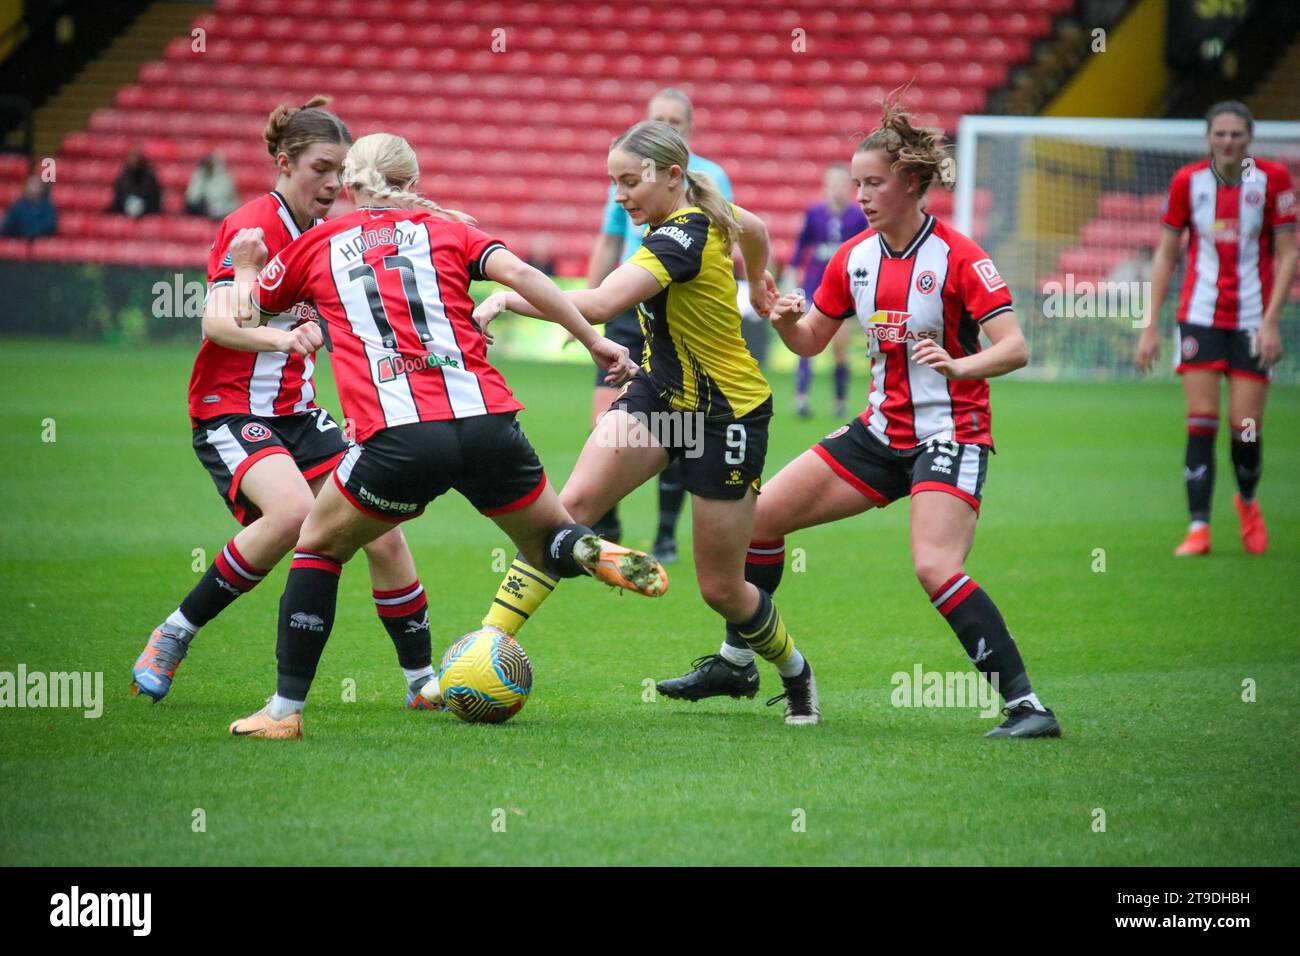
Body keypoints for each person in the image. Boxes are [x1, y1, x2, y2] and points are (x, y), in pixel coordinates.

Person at [224, 132, 665, 739]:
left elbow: (246, 315)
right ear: (413, 181)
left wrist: (247, 266)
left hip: (400, 437)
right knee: (547, 541)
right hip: (487, 422)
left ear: (349, 186)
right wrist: (592, 340)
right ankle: (585, 547)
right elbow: (524, 276)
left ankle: (284, 713)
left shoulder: (317, 243)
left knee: (320, 547)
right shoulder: (450, 230)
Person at [656, 102, 1061, 739]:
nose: (862, 195)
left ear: (910, 184)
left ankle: (1027, 706)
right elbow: (812, 341)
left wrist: (959, 367)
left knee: (935, 568)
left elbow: (1015, 347)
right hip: (879, 433)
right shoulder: (852, 258)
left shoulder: (959, 257)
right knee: (759, 522)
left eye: (873, 183)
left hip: (950, 436)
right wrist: (787, 317)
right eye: (857, 183)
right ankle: (738, 664)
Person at [472, 120, 820, 726]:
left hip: (723, 417)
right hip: (660, 399)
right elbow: (757, 229)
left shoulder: (680, 237)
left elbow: (603, 303)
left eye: (629, 181)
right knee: (566, 508)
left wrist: (507, 295)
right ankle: (482, 649)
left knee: (720, 588)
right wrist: (761, 286)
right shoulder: (707, 211)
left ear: (673, 177)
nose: (619, 195)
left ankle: (796, 675)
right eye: (614, 182)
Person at [131, 98, 440, 712]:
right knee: (297, 513)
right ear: (284, 163)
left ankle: (421, 684)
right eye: (322, 167)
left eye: (342, 170)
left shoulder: (330, 235)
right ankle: (172, 634)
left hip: (298, 412)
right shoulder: (253, 225)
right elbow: (217, 325)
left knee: (382, 530)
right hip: (230, 409)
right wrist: (278, 334)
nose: (334, 182)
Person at [1135, 100, 1295, 556]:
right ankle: (1198, 528)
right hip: (1200, 316)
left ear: (1250, 138)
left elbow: (1288, 254)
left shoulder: (1273, 181)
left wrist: (1270, 323)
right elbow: (1167, 254)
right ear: (1208, 138)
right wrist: (1150, 326)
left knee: (1245, 426)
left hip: (1251, 320)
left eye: (1236, 134)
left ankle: (1247, 502)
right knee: (1200, 422)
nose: (1228, 142)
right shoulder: (1188, 182)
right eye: (1220, 134)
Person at [584, 88, 735, 563]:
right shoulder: (629, 180)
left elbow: (741, 231)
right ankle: (606, 529)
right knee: (608, 427)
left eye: (675, 120)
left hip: (672, 304)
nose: (667, 125)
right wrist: (585, 313)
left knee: (677, 424)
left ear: (689, 131)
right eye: (658, 119)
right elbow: (608, 243)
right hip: (628, 303)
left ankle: (666, 534)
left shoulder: (708, 180)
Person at [787, 162, 868, 418]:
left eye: (843, 184)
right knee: (805, 341)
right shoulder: (814, 213)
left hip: (843, 291)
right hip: (813, 287)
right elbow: (801, 248)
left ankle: (840, 401)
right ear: (825, 187)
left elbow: (866, 253)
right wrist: (791, 278)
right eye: (833, 183)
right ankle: (801, 398)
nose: (838, 189)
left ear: (850, 188)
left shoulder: (857, 217)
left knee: (840, 348)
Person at [107, 146, 161, 217]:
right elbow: (118, 199)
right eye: (132, 158)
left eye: (136, 158)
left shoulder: (149, 177)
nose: (134, 161)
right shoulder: (123, 177)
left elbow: (154, 200)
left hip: (146, 212)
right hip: (124, 212)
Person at [184, 152, 240, 220]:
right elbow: (192, 197)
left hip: (221, 207)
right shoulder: (199, 175)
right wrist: (202, 177)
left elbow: (223, 195)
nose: (208, 166)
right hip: (203, 208)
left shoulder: (223, 177)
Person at [1, 170, 56, 238]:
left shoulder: (47, 207)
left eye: (36, 184)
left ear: (42, 187)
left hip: (39, 242)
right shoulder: (17, 206)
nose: (33, 187)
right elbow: (8, 225)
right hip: (19, 241)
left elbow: (49, 226)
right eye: (31, 184)